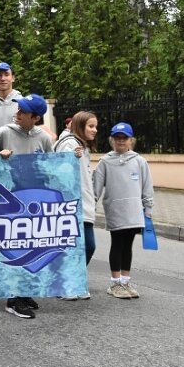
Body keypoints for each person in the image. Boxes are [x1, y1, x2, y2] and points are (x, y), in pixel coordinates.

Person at [0, 94, 54, 319]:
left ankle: (24, 291)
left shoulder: (43, 138)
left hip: (34, 200)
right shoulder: (5, 132)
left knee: (31, 246)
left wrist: (72, 158)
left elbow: (52, 165)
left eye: (23, 112)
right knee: (14, 246)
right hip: (10, 200)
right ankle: (12, 299)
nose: (17, 113)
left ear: (35, 117)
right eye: (17, 109)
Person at [93, 122, 154, 300]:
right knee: (117, 244)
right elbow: (96, 188)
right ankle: (114, 283)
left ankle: (125, 281)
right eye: (117, 138)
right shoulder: (105, 161)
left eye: (124, 138)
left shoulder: (140, 161)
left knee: (128, 245)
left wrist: (148, 208)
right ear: (112, 140)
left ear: (131, 140)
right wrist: (91, 207)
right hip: (115, 210)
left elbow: (147, 187)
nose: (121, 141)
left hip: (134, 211)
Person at [54, 111, 98, 300]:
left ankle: (74, 282)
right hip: (72, 206)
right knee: (83, 246)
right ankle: (65, 284)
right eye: (90, 126)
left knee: (83, 246)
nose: (95, 130)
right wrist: (71, 157)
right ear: (80, 126)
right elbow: (59, 171)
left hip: (84, 205)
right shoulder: (70, 144)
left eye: (95, 126)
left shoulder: (81, 146)